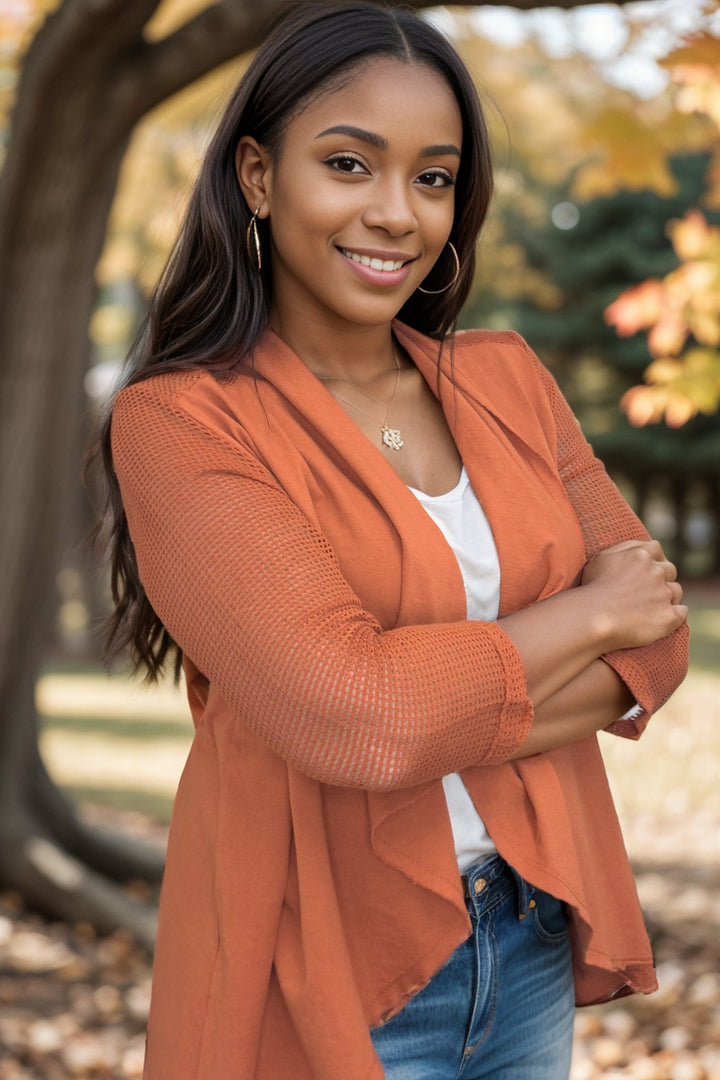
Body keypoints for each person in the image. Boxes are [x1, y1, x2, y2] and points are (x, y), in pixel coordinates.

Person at [97, 3, 689, 1078]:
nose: (396, 214)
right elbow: (358, 719)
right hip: (322, 956)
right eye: (349, 164)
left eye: (432, 177)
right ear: (257, 176)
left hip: (528, 933)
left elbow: (660, 647)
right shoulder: (183, 423)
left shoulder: (507, 380)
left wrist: (417, 717)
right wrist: (588, 615)